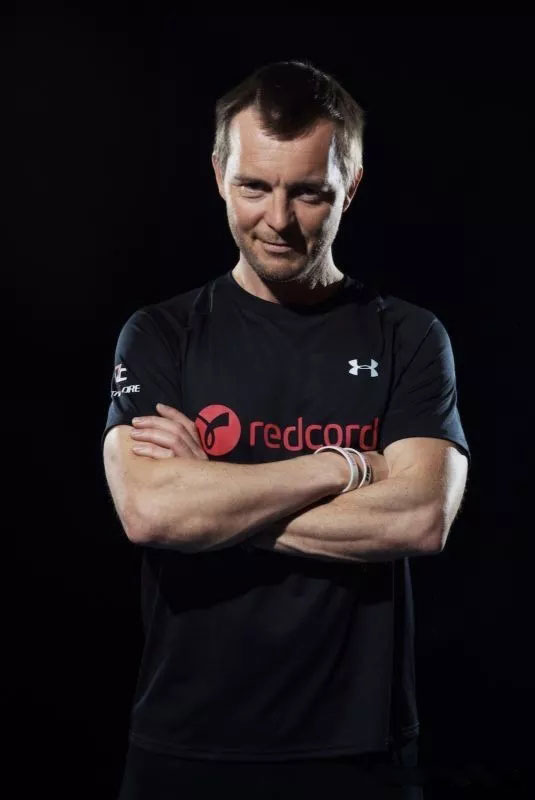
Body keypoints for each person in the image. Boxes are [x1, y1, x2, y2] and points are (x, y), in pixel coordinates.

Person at [102, 60, 470, 800]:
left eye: (308, 192)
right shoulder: (160, 335)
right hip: (185, 743)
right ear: (218, 175)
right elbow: (151, 510)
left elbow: (419, 517)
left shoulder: (407, 336)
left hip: (358, 751)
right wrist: (341, 467)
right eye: (253, 187)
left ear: (350, 187)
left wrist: (212, 502)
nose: (277, 219)